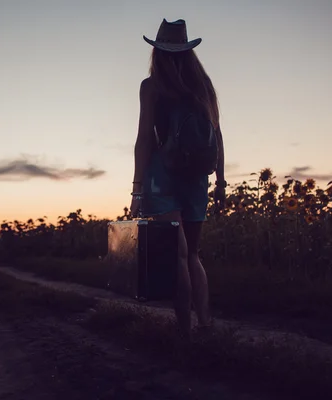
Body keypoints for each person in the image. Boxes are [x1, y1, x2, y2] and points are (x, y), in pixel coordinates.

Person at [130, 18, 226, 339]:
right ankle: (206, 325)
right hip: (198, 179)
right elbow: (218, 135)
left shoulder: (151, 86)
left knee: (178, 256)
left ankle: (184, 333)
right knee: (194, 254)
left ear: (157, 50)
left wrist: (137, 188)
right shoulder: (204, 85)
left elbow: (145, 138)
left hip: (162, 176)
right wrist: (222, 181)